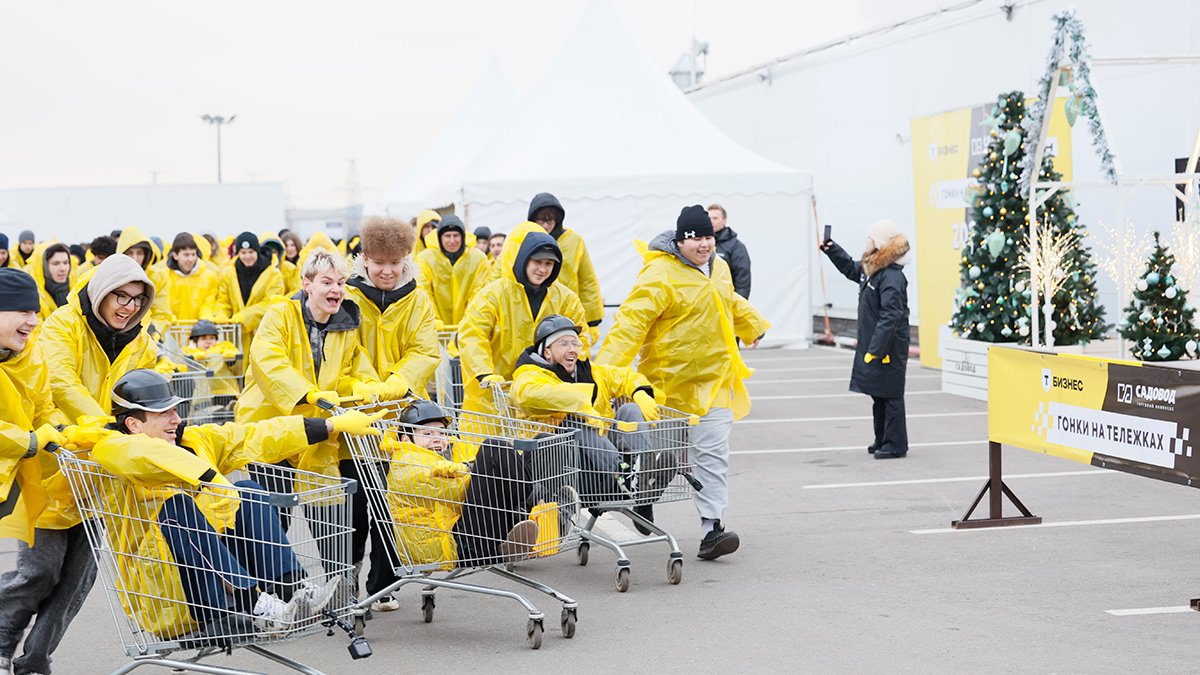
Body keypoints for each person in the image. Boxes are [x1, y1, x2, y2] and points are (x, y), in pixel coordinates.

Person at [84, 369, 382, 643]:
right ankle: (255, 604)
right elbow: (142, 456)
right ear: (134, 424)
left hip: (211, 570)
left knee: (248, 490)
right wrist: (209, 477)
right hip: (168, 588)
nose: (176, 419)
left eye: (175, 409)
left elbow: (256, 435)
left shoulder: (195, 441)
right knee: (179, 508)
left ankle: (295, 592)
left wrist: (328, 425)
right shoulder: (112, 449)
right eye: (164, 413)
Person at [1, 255, 161, 675]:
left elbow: (143, 394)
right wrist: (104, 428)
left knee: (76, 582)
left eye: (137, 299)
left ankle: (35, 659)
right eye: (120, 295)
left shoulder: (140, 341)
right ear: (101, 290)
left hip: (103, 473)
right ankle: (0, 641)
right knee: (39, 573)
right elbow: (61, 383)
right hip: (56, 467)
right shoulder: (61, 325)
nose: (127, 306)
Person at [597, 205, 769, 560]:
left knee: (712, 455)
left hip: (715, 382)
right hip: (668, 387)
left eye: (708, 237)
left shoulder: (719, 266)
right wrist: (603, 375)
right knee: (664, 458)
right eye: (696, 239)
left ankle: (712, 529)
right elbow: (630, 324)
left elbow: (725, 300)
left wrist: (752, 324)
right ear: (680, 242)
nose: (704, 245)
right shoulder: (658, 274)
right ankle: (644, 500)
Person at [235, 248, 387, 596]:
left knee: (328, 513)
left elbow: (350, 371)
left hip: (318, 431)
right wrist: (309, 394)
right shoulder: (281, 315)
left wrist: (361, 386)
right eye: (327, 282)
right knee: (274, 517)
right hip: (272, 428)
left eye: (341, 282)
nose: (336, 289)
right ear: (307, 285)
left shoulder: (346, 324)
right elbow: (269, 362)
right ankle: (264, 593)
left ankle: (339, 589)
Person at [344, 215, 439, 611]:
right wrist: (367, 389)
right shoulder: (347, 297)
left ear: (406, 260)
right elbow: (344, 349)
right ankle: (346, 574)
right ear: (364, 258)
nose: (386, 270)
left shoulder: (418, 299)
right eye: (378, 261)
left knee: (396, 503)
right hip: (356, 415)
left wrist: (396, 384)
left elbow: (426, 351)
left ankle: (384, 586)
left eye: (394, 262)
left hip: (403, 418)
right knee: (353, 508)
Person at [510, 315, 665, 530]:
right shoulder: (528, 375)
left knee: (629, 409)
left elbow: (623, 376)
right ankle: (627, 478)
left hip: (599, 460)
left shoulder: (590, 372)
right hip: (562, 467)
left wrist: (641, 392)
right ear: (547, 352)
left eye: (575, 343)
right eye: (563, 343)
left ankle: (641, 479)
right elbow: (531, 395)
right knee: (578, 422)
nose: (572, 348)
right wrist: (581, 405)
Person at [0, 268, 76, 675]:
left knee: (62, 576)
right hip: (19, 469)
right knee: (40, 571)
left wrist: (66, 433)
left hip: (36, 478)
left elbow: (45, 408)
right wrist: (32, 441)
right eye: (23, 311)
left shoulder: (31, 355)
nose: (33, 320)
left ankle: (29, 659)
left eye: (36, 310)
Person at [381, 400, 540, 568]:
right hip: (456, 544)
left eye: (441, 433)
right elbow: (455, 493)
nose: (437, 439)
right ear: (406, 438)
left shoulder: (453, 451)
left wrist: (478, 469)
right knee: (493, 448)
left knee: (543, 443)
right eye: (428, 434)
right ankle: (538, 506)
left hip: (473, 526)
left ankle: (538, 512)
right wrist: (479, 470)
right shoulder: (406, 464)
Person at [458, 223, 590, 419]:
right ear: (523, 260)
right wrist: (484, 374)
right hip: (496, 395)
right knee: (491, 448)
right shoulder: (492, 296)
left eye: (549, 263)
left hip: (546, 396)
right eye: (537, 262)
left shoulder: (566, 298)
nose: (542, 269)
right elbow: (473, 335)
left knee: (549, 448)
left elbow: (581, 340)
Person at [820, 220, 911, 459]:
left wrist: (877, 349)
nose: (866, 241)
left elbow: (891, 315)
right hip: (875, 342)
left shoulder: (891, 275)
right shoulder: (874, 268)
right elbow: (852, 269)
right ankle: (882, 439)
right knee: (877, 392)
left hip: (888, 345)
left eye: (870, 238)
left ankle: (895, 444)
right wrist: (833, 250)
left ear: (879, 244)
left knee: (890, 394)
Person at [528, 193, 604, 340]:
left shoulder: (574, 240)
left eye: (550, 221)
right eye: (541, 220)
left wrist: (593, 320)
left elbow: (587, 280)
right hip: (532, 313)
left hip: (567, 312)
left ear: (558, 220)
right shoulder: (525, 240)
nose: (545, 226)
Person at [415, 215, 488, 331]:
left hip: (470, 328)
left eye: (456, 235)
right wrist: (432, 320)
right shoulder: (426, 258)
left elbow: (480, 292)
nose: (452, 241)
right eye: (447, 236)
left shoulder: (478, 259)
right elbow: (424, 292)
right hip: (435, 330)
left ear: (463, 237)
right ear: (439, 238)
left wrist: (470, 319)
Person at [213, 232, 285, 347]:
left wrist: (245, 317)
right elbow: (224, 299)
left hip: (263, 335)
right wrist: (220, 314)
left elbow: (271, 303)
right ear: (238, 253)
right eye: (243, 252)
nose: (247, 257)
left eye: (251, 252)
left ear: (257, 251)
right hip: (236, 336)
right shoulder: (228, 273)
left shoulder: (273, 274)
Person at [161, 233, 219, 325]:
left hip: (200, 334)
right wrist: (168, 317)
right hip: (171, 333)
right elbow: (161, 306)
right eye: (186, 255)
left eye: (193, 254)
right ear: (175, 255)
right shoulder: (163, 277)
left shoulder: (209, 277)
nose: (191, 259)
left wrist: (205, 319)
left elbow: (209, 303)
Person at [708, 204, 752, 299]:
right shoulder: (700, 245)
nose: (711, 221)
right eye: (709, 218)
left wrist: (736, 307)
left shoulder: (736, 247)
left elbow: (742, 282)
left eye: (715, 218)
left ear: (724, 220)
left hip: (727, 301)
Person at [28, 244, 73, 322]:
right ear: (44, 266)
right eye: (56, 264)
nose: (63, 269)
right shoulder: (32, 295)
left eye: (66, 263)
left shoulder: (77, 289)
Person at [259, 231, 300, 296]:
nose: (271, 255)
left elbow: (297, 290)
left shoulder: (290, 269)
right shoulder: (254, 269)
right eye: (267, 251)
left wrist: (282, 302)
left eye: (274, 252)